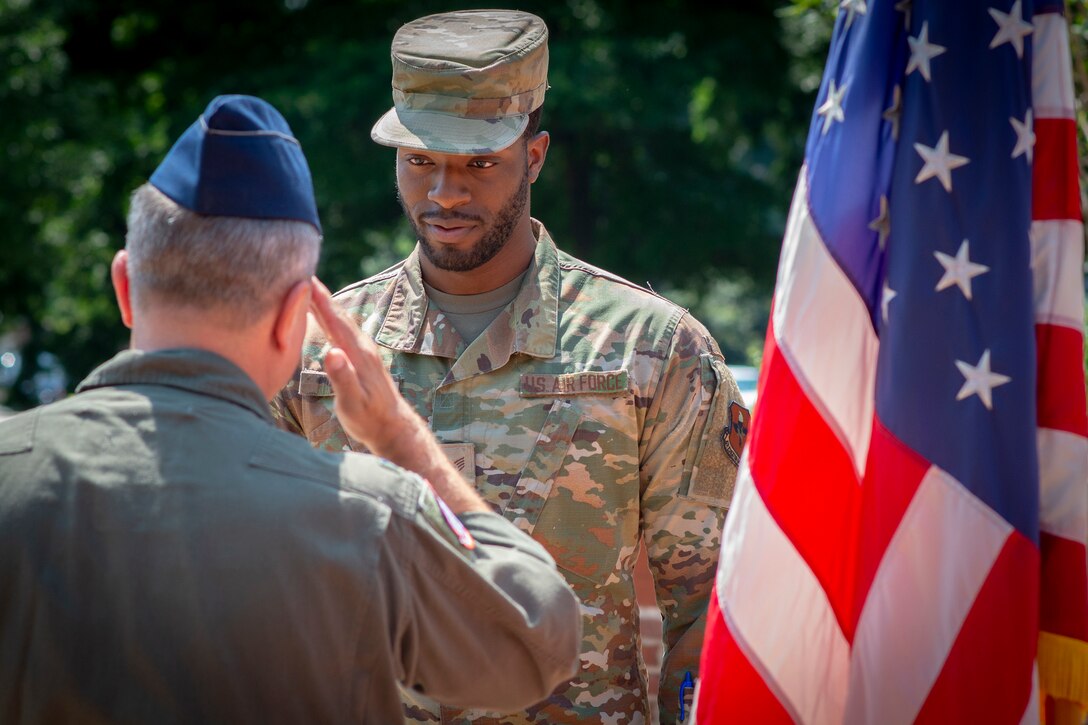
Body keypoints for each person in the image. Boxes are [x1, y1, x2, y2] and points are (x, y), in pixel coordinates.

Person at [0, 94, 581, 724]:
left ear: (124, 286)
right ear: (292, 318)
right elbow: (537, 642)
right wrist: (402, 440)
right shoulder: (364, 515)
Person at [273, 9, 749, 724]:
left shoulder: (653, 350)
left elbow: (711, 613)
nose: (444, 195)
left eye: (479, 163)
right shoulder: (319, 349)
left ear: (535, 156)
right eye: (420, 161)